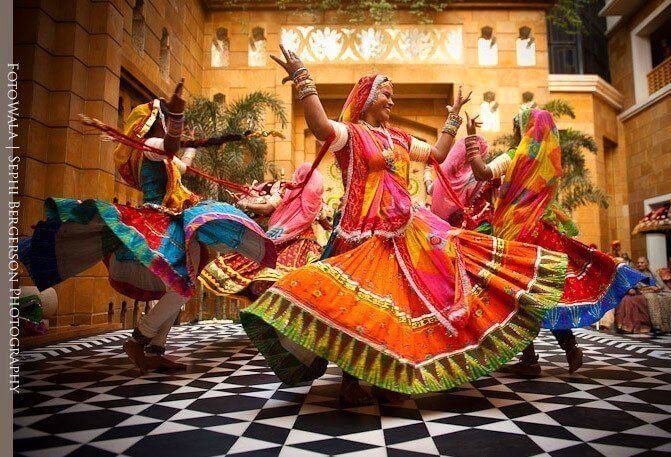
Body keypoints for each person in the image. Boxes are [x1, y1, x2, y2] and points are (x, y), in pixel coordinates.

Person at [238, 45, 569, 405]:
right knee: (356, 306)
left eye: (393, 96)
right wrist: (304, 79)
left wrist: (453, 120)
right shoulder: (351, 133)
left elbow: (438, 155)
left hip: (403, 231)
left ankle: (385, 372)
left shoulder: (398, 137)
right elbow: (319, 125)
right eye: (386, 94)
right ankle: (350, 379)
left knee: (395, 305)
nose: (392, 102)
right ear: (366, 98)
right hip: (360, 233)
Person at [19, 80, 276, 374]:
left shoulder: (156, 152)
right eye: (165, 118)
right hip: (158, 226)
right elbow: (167, 146)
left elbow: (178, 164)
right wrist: (177, 119)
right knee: (181, 287)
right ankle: (140, 339)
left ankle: (155, 348)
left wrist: (187, 143)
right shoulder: (150, 145)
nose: (168, 123)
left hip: (167, 222)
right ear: (154, 123)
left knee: (182, 285)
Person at [453, 108, 645, 375]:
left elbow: (484, 172)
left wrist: (471, 137)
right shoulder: (550, 162)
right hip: (543, 234)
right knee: (546, 295)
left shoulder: (514, 157)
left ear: (522, 129)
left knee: (516, 296)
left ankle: (530, 359)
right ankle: (570, 348)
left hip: (515, 236)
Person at [200, 162, 327, 298]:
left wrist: (245, 204)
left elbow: (267, 208)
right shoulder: (317, 200)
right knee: (307, 277)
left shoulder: (287, 191)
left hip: (279, 239)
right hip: (306, 244)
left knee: (261, 267)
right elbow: (325, 220)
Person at [615, 256, 671, 334]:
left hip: (656, 290)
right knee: (652, 298)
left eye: (642, 263)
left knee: (670, 296)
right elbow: (634, 286)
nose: (639, 264)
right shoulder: (635, 273)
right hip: (643, 291)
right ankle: (657, 325)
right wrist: (649, 288)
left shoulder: (652, 273)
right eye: (638, 263)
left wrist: (657, 288)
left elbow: (660, 284)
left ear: (647, 264)